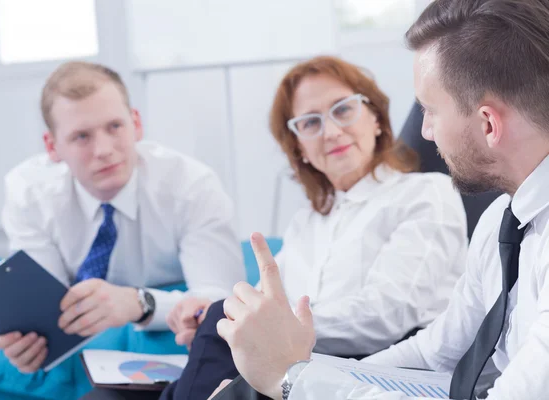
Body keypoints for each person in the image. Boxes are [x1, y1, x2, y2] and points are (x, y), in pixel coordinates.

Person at [211, 0, 549, 399]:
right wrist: (283, 377)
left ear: (488, 123)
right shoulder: (501, 220)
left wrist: (292, 381)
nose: (424, 132)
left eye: (430, 111)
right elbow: (434, 352)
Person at [83, 55, 469, 400]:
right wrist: (218, 312)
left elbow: (388, 314)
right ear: (299, 145)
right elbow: (264, 298)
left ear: (375, 118)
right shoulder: (307, 222)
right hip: (285, 364)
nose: (331, 131)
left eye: (343, 110)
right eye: (310, 122)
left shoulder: (425, 193)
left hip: (369, 368)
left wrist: (265, 325)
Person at [0, 61, 245, 374]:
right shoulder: (29, 193)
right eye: (81, 136)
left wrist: (139, 303)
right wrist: (31, 341)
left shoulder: (191, 186)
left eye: (114, 127)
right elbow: (47, 309)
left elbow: (219, 305)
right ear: (52, 147)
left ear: (136, 123)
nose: (104, 150)